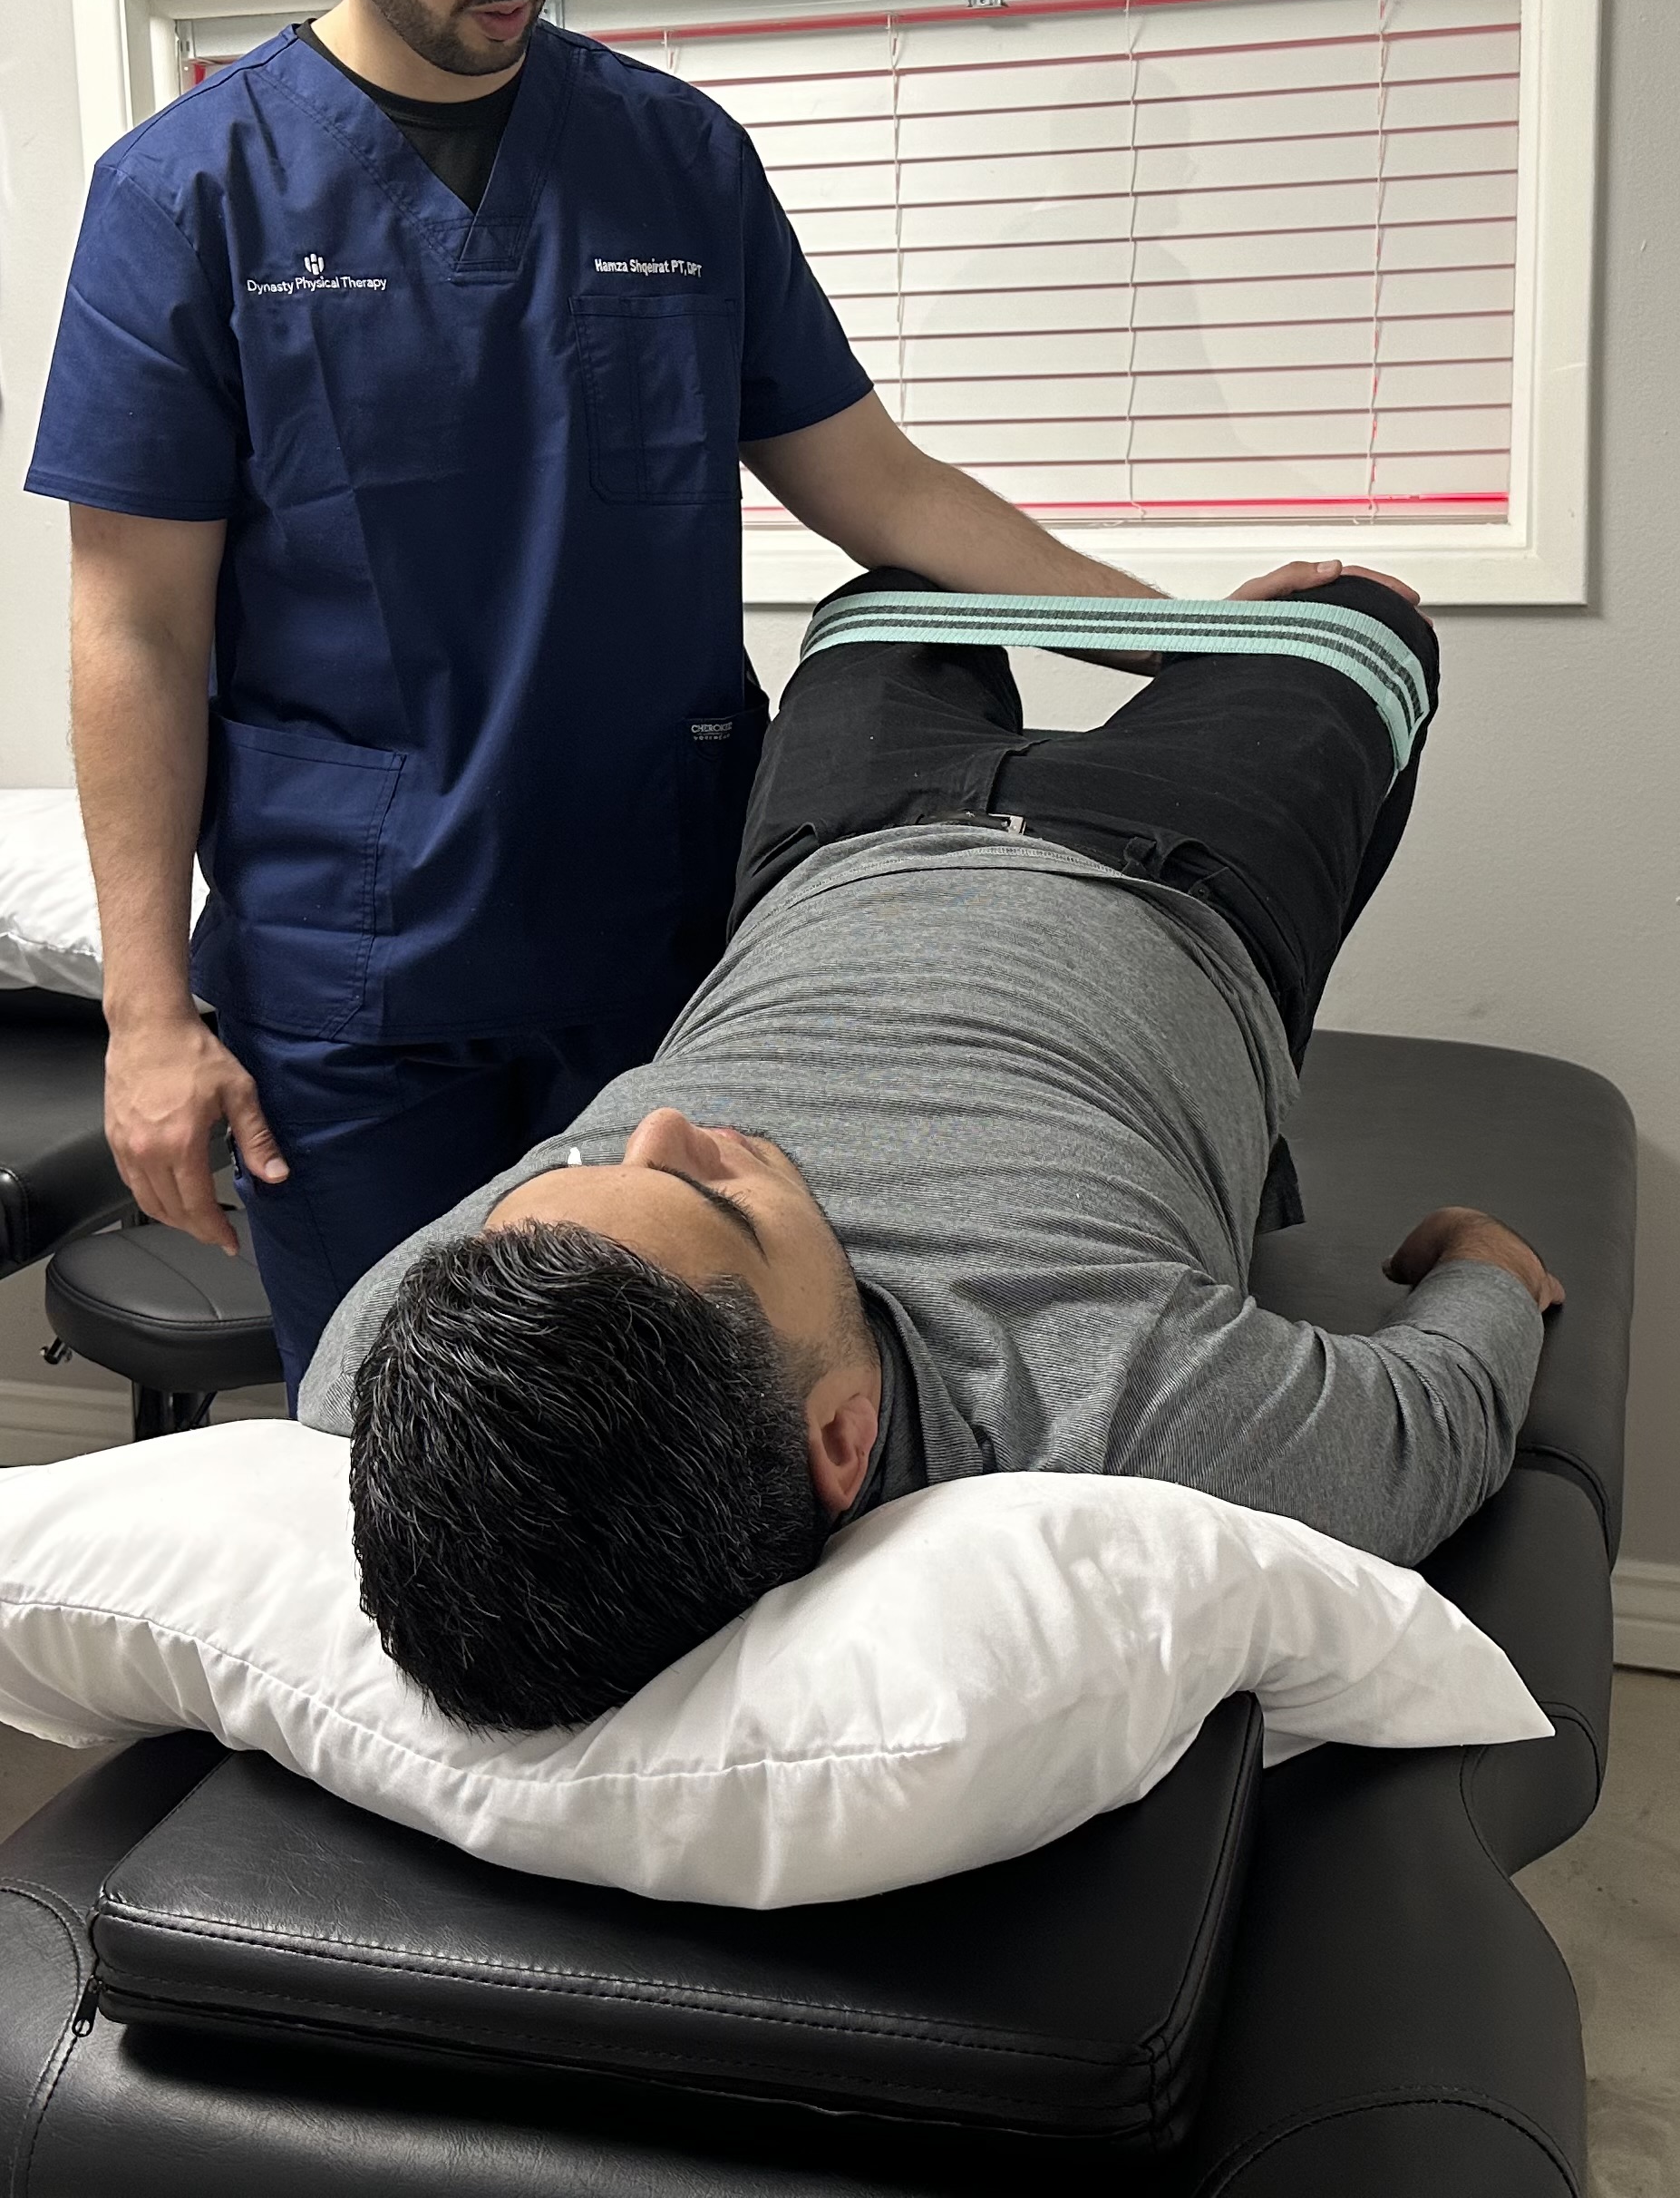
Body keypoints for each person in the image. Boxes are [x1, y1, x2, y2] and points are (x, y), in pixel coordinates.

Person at [25, 0, 1228, 1396]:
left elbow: (875, 484)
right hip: (350, 985)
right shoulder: (186, 198)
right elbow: (136, 624)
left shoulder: (676, 159)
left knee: (673, 1441)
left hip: (657, 945)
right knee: (389, 1447)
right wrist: (145, 1018)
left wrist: (1202, 646)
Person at [300, 565, 1564, 1736]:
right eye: (714, 1197)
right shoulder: (1131, 1410)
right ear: (841, 1442)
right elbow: (1434, 1421)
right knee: (1364, 614)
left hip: (831, 853)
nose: (660, 1124)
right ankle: (1221, 680)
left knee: (891, 585)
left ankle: (1196, 664)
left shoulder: (396, 1363)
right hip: (1180, 870)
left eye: (575, 1172)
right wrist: (1482, 1259)